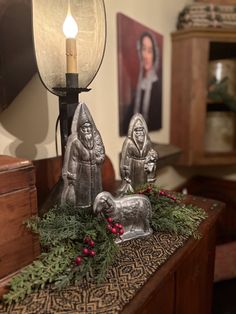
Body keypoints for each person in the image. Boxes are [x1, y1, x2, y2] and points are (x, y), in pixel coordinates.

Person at [61, 102, 105, 207]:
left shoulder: (96, 139)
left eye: (89, 128)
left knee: (96, 192)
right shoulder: (76, 143)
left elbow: (101, 152)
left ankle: (96, 208)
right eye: (84, 129)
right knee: (83, 194)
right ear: (80, 130)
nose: (87, 131)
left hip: (95, 171)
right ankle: (83, 210)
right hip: (82, 173)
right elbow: (73, 160)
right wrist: (72, 176)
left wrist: (100, 159)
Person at [122, 32, 162, 135]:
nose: (146, 55)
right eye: (143, 49)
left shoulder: (156, 86)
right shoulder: (140, 86)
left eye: (150, 51)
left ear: (154, 55)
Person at [120, 113, 158, 191]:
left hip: (144, 169)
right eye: (137, 130)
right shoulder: (128, 142)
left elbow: (151, 154)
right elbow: (124, 159)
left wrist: (152, 159)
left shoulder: (148, 141)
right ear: (133, 130)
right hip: (133, 168)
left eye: (141, 129)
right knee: (134, 189)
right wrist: (125, 174)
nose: (140, 132)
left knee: (143, 188)